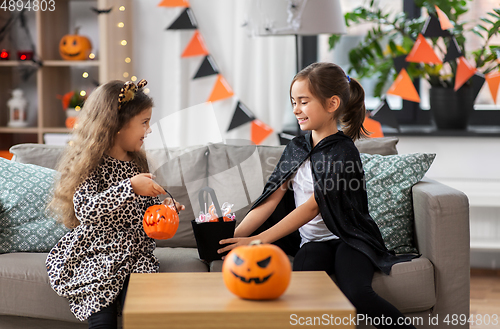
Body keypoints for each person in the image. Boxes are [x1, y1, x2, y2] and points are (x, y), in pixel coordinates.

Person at [218, 62, 418, 329]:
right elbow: (271, 199)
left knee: (357, 294)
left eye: (303, 101)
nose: (295, 109)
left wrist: (256, 241)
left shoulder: (343, 151)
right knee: (301, 291)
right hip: (312, 242)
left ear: (332, 103)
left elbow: (314, 207)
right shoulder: (296, 147)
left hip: (350, 239)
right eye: (293, 102)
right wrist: (233, 237)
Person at [46, 79, 185, 329]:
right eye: (144, 122)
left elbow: (145, 214)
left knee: (144, 308)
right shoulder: (92, 165)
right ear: (118, 124)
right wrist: (129, 187)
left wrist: (163, 210)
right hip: (99, 251)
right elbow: (86, 210)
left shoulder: (138, 163)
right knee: (102, 313)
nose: (150, 129)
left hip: (135, 253)